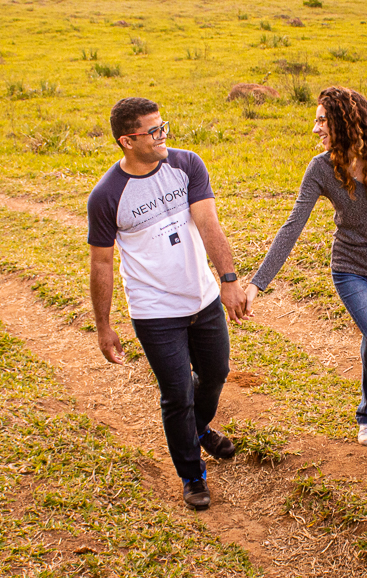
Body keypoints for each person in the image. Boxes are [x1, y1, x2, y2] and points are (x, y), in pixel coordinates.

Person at [246, 86, 367, 484]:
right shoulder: (320, 169)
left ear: (345, 121)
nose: (315, 128)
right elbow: (292, 226)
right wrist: (257, 284)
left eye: (321, 120)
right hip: (349, 270)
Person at [87, 97, 249, 510]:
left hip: (203, 297)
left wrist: (228, 280)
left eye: (164, 127)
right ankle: (192, 475)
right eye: (153, 131)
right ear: (127, 140)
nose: (163, 137)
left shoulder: (187, 164)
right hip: (155, 311)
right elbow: (102, 263)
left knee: (215, 373)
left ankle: (196, 429)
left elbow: (209, 223)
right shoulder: (106, 196)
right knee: (177, 392)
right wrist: (104, 326)